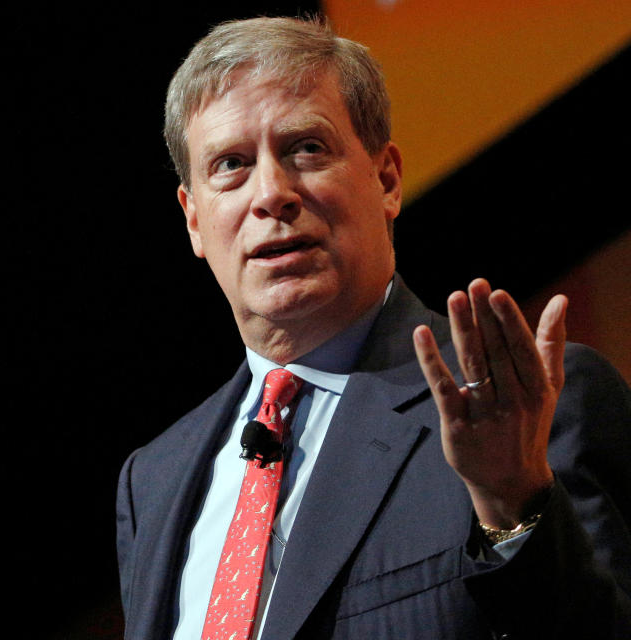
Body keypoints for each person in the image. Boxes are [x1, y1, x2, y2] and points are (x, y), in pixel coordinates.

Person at [115, 15, 631, 640]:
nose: (272, 193)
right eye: (231, 164)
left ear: (386, 179)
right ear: (194, 218)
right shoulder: (154, 481)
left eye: (307, 148)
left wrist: (514, 507)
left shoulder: (529, 408)